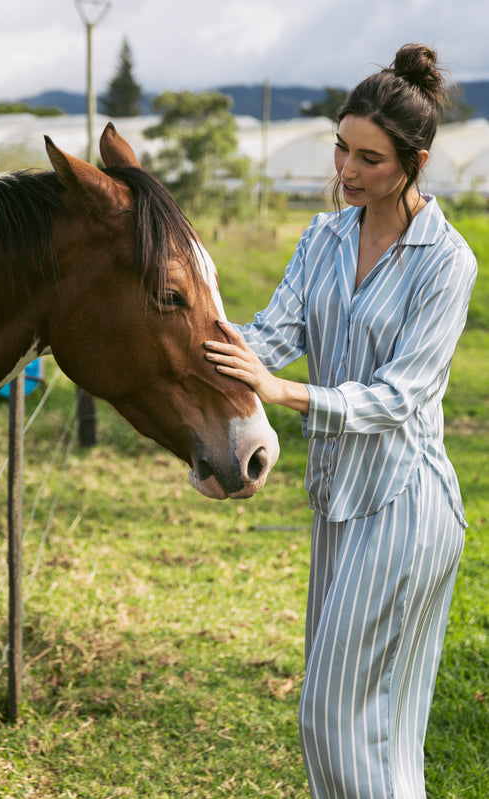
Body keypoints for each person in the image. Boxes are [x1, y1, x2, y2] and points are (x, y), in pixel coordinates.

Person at [204, 43, 477, 798]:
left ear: (413, 162)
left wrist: (282, 394)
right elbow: (271, 335)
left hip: (404, 504)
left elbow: (399, 395)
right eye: (339, 146)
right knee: (360, 726)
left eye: (369, 158)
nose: (345, 171)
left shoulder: (445, 262)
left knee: (339, 716)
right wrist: (192, 343)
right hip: (336, 503)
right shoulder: (322, 239)